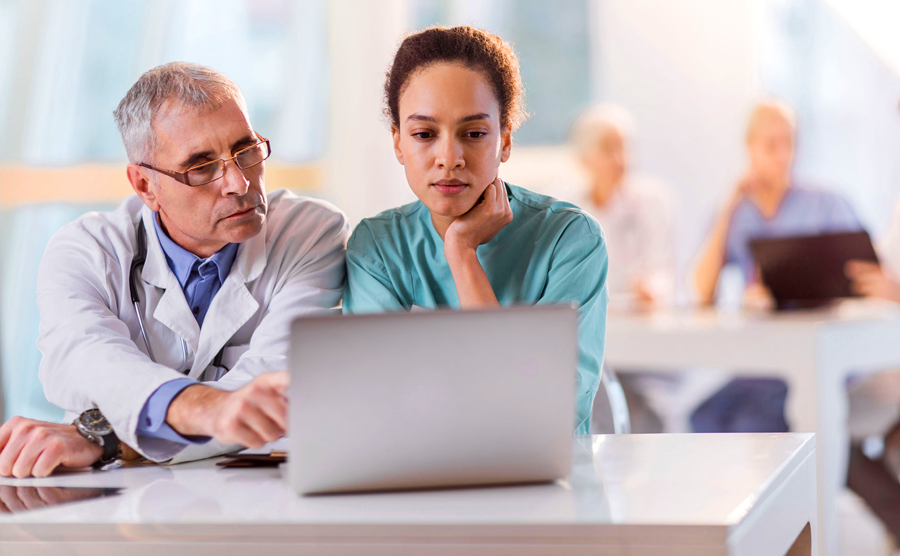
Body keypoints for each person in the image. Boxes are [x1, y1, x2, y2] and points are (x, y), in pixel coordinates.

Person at [0, 62, 348, 478]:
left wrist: (106, 438)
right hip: (117, 505)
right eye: (202, 167)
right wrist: (209, 409)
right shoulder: (88, 249)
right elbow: (85, 360)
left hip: (256, 493)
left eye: (247, 150)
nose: (239, 182)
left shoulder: (310, 232)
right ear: (146, 186)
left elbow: (277, 394)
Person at [342, 26, 609, 435]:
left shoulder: (570, 241)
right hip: (412, 483)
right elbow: (374, 408)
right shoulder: (377, 248)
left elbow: (544, 416)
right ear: (398, 142)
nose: (449, 158)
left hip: (543, 488)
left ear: (504, 141)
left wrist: (462, 254)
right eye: (424, 134)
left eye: (474, 134)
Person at [690, 100, 863, 432]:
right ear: (750, 148)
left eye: (789, 143)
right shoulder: (738, 213)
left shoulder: (823, 203)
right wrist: (729, 205)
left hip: (812, 354)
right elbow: (700, 291)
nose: (783, 155)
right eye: (771, 145)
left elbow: (860, 280)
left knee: (750, 423)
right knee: (703, 418)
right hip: (760, 358)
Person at [570, 103, 676, 311]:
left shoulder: (654, 202)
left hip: (639, 317)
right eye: (608, 148)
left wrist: (653, 288)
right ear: (584, 157)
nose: (621, 159)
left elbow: (661, 270)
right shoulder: (568, 209)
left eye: (625, 147)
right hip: (586, 317)